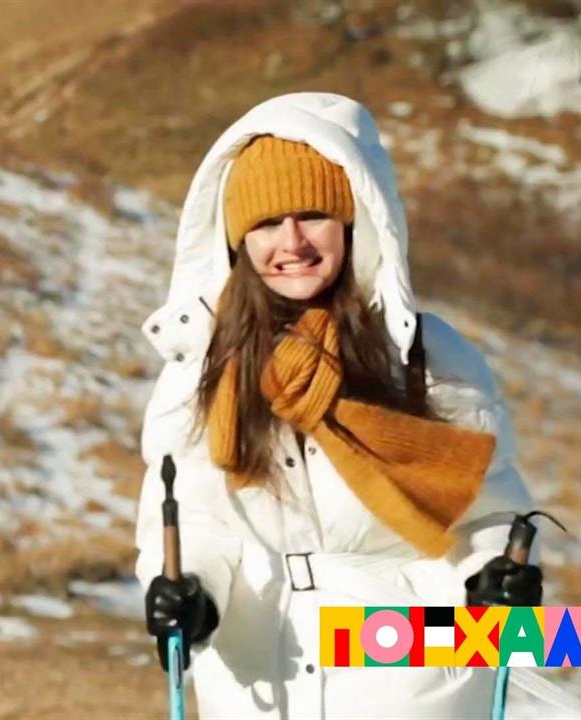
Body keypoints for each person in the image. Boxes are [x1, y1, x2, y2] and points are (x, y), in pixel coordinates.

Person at [134, 93, 543, 719]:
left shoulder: (425, 355)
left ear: (353, 222)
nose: (292, 242)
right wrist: (191, 593)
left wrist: (493, 577)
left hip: (407, 677)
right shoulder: (202, 370)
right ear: (238, 240)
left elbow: (492, 514)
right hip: (261, 680)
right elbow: (195, 520)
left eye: (313, 215)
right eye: (266, 223)